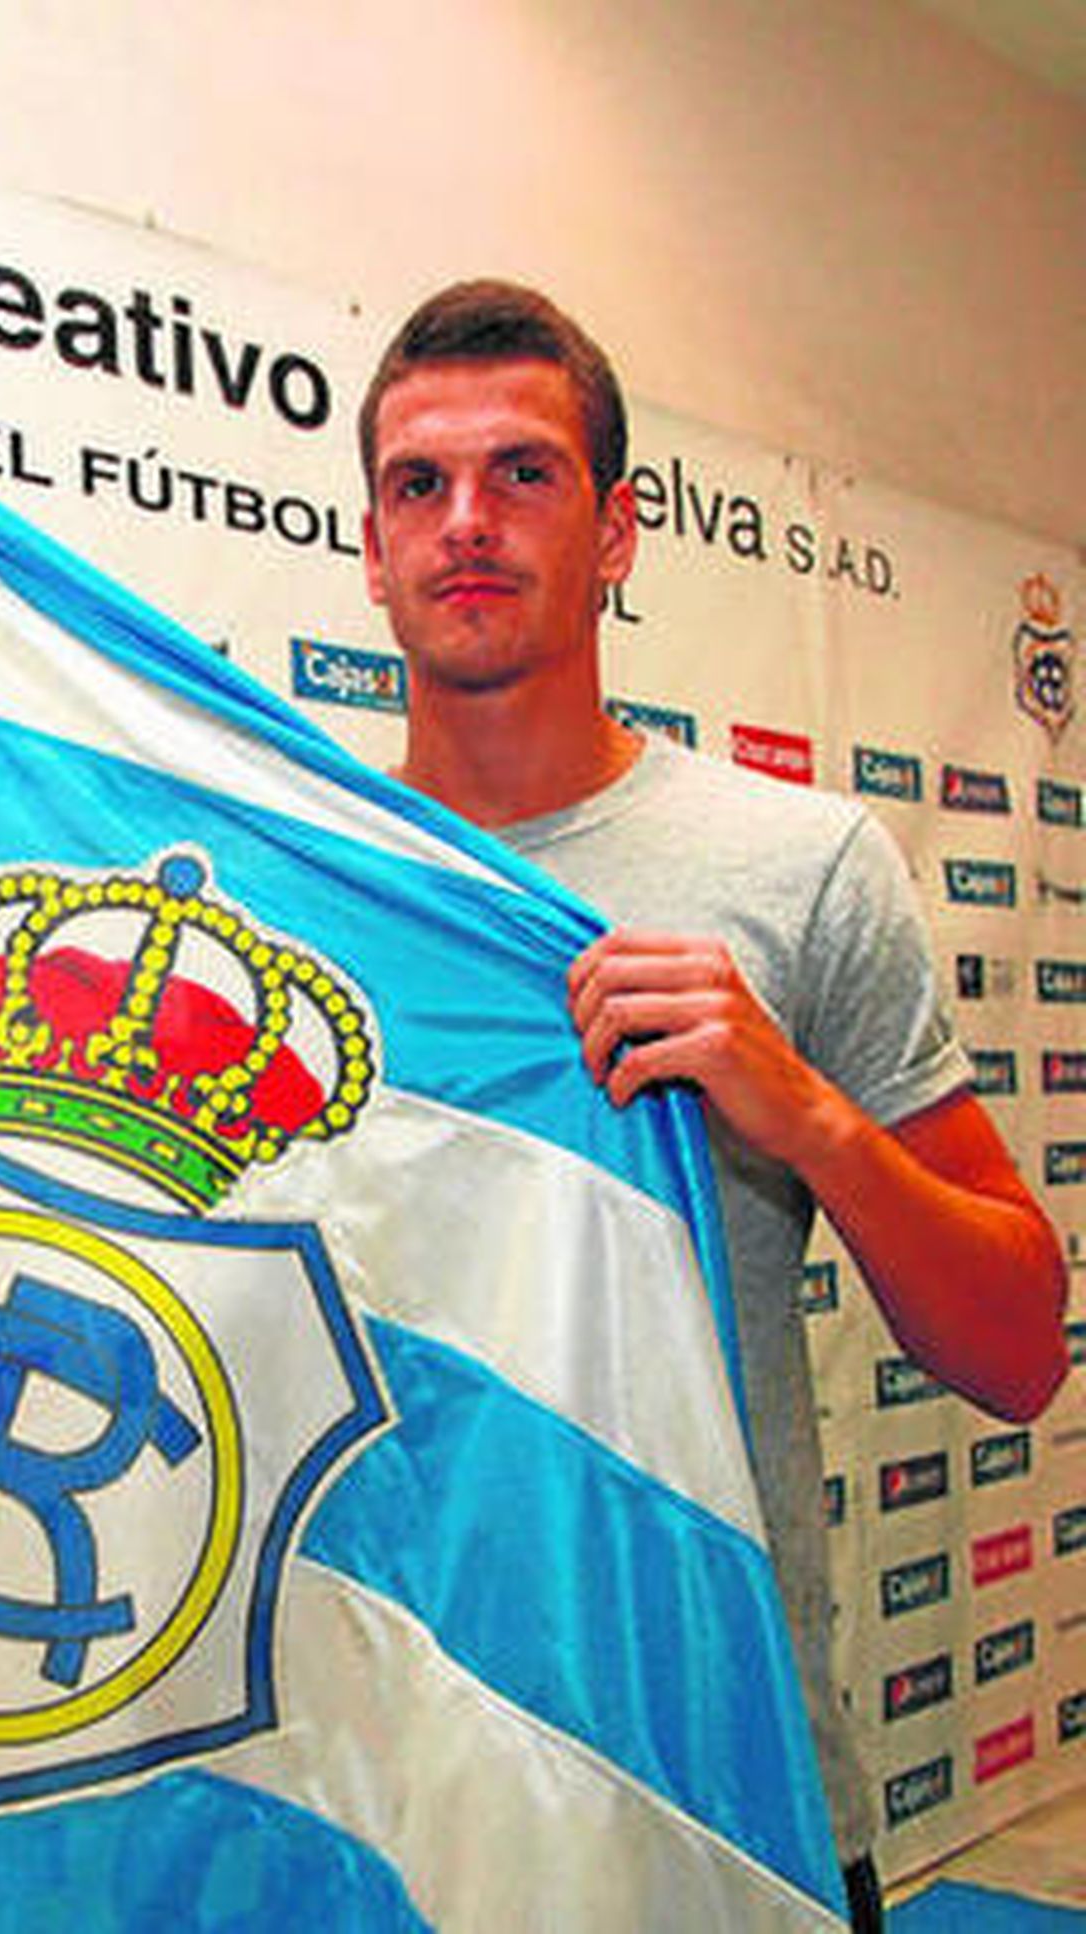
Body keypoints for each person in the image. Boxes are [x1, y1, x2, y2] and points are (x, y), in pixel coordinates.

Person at [357, 279, 1070, 1932]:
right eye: (421, 484)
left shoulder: (797, 868)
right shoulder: (299, 882)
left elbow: (1021, 1351)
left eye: (523, 475)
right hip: (378, 1784)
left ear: (616, 532)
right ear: (373, 544)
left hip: (720, 1786)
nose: (468, 522)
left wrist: (806, 1112)